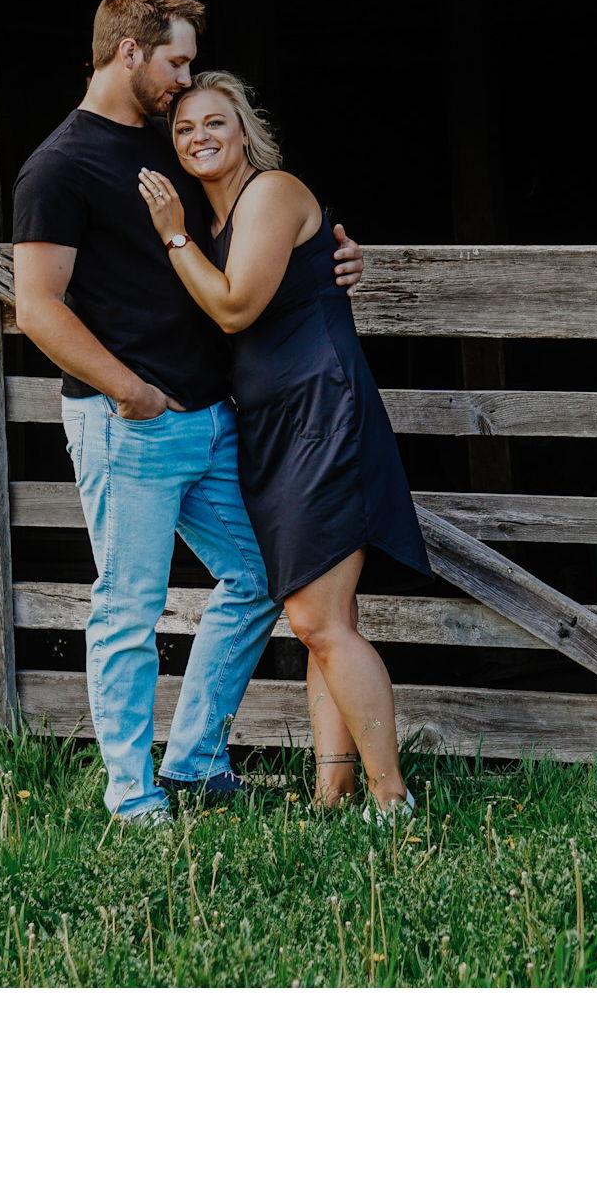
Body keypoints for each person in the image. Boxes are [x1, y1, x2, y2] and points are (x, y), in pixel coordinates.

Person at [11, 0, 366, 825]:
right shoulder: (58, 167)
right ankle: (132, 797)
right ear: (129, 51)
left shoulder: (171, 141)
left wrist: (331, 257)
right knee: (128, 608)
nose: (184, 80)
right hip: (129, 423)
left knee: (258, 577)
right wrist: (129, 390)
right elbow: (37, 307)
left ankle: (197, 761)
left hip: (213, 416)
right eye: (175, 62)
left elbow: (245, 223)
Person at [137, 71, 427, 818]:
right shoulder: (216, 225)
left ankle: (391, 798)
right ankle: (333, 793)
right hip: (273, 426)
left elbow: (235, 308)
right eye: (184, 129)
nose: (199, 137)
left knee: (316, 620)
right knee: (325, 620)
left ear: (246, 131)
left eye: (215, 122)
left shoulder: (268, 193)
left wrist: (171, 235)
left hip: (320, 411)